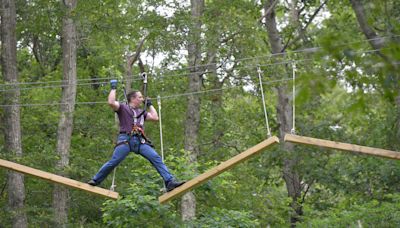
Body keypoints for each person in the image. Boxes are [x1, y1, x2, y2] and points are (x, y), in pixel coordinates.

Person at [88, 79, 185, 192]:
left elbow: (155, 118)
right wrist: (113, 88)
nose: (142, 99)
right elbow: (111, 102)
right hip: (126, 139)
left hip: (140, 141)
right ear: (133, 99)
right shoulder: (123, 108)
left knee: (155, 158)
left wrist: (150, 105)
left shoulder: (141, 112)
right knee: (114, 161)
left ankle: (169, 181)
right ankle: (96, 180)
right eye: (140, 97)